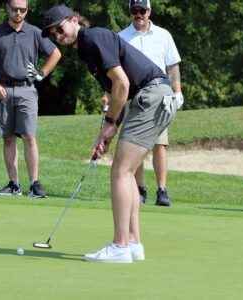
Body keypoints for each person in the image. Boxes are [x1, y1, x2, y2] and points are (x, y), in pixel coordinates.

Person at [41, 4, 182, 263]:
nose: (58, 37)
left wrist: (110, 122)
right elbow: (117, 91)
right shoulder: (85, 48)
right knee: (126, 172)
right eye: (53, 35)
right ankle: (133, 243)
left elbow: (122, 83)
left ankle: (120, 246)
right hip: (150, 98)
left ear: (74, 20)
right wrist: (107, 131)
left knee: (120, 171)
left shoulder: (93, 37)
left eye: (59, 29)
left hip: (150, 96)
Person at [0, 0, 61, 198]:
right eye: (15, 9)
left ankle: (34, 184)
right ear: (7, 8)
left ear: (27, 10)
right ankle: (14, 184)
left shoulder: (34, 32)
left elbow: (56, 53)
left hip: (27, 90)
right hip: (3, 90)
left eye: (22, 10)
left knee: (29, 137)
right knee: (8, 138)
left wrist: (42, 73)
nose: (18, 13)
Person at [117, 0, 184, 206]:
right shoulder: (121, 37)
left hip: (159, 96)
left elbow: (172, 67)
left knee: (160, 144)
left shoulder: (163, 35)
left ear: (149, 11)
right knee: (134, 143)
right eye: (134, 11)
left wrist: (178, 91)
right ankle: (139, 188)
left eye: (142, 10)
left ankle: (162, 190)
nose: (139, 15)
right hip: (134, 96)